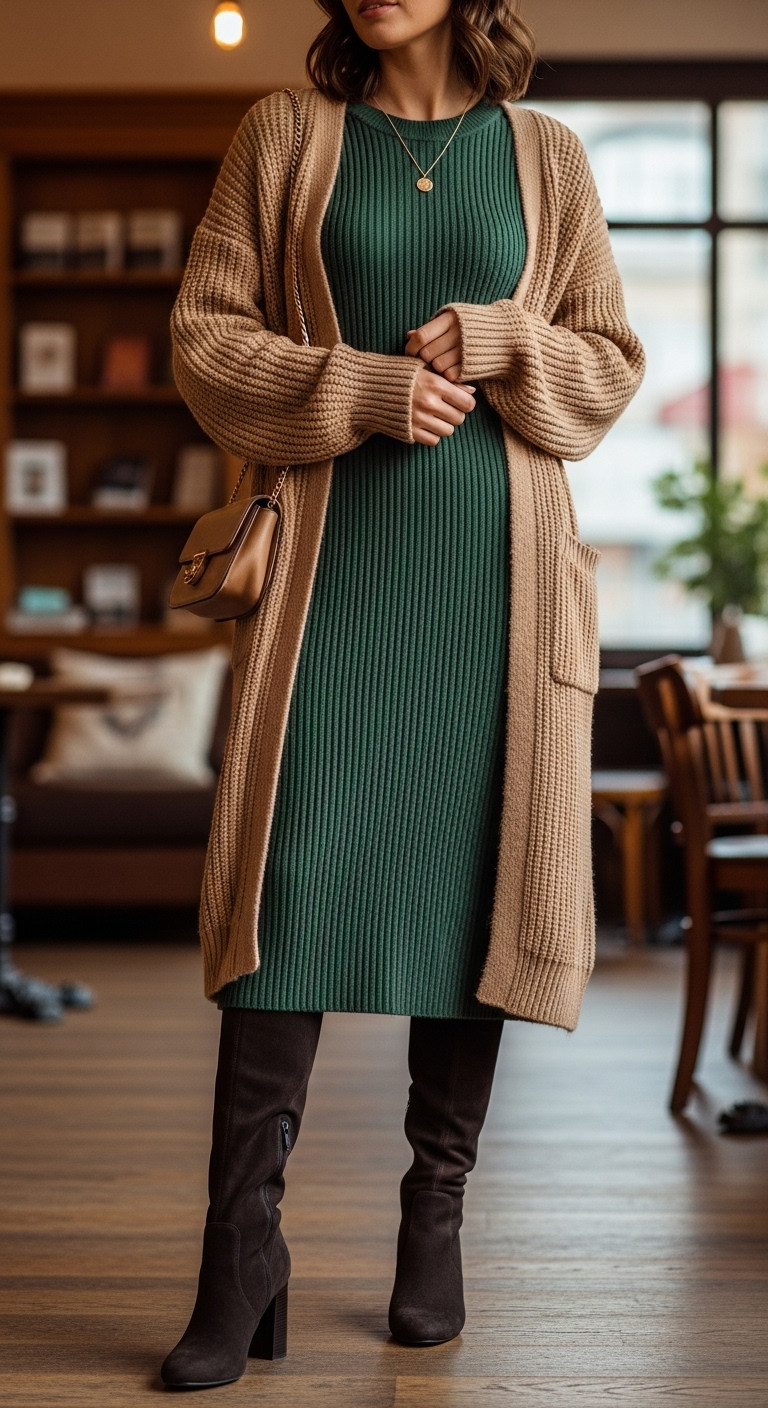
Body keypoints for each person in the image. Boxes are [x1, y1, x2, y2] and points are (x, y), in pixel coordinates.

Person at [161, 0, 645, 1389]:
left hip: (495, 585)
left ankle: (434, 1224)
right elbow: (204, 337)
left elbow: (607, 364)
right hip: (330, 581)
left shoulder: (545, 155)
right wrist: (360, 387)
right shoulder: (286, 135)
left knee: (472, 892)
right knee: (282, 895)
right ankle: (238, 1252)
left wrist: (507, 341)